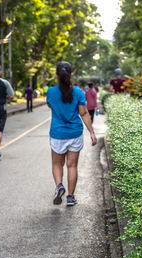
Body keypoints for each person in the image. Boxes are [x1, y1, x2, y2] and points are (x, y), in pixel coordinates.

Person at [47, 62, 97, 206]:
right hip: (75, 133)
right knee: (72, 165)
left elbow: (50, 105)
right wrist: (92, 133)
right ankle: (70, 197)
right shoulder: (79, 92)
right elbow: (84, 113)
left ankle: (59, 186)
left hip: (58, 134)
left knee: (57, 163)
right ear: (71, 75)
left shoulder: (51, 92)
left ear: (57, 75)